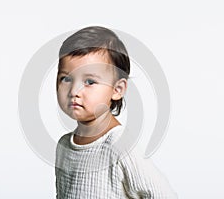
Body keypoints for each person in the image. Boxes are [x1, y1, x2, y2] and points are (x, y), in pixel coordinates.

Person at [55, 26, 177, 198]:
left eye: (89, 81)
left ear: (117, 89)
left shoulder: (120, 146)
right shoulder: (64, 146)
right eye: (66, 79)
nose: (74, 90)